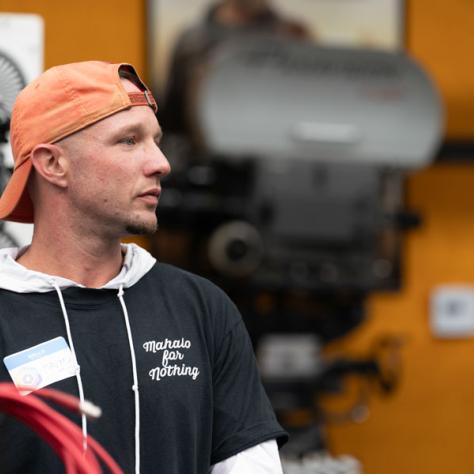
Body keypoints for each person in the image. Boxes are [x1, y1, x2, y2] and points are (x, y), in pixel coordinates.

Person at [0, 61, 287, 473]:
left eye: (157, 140)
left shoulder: (202, 309)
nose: (161, 163)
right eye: (129, 141)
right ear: (53, 164)